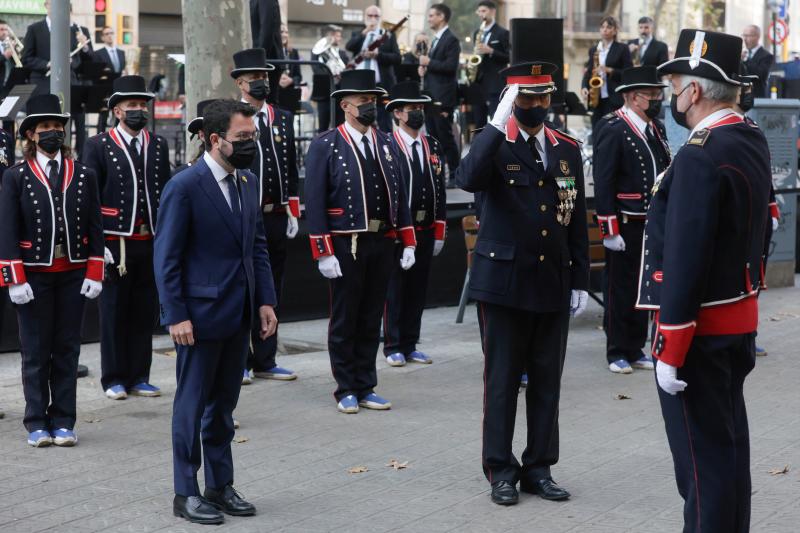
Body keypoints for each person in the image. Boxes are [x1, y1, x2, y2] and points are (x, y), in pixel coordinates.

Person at [640, 29, 772, 531]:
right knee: (727, 454)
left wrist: (670, 345)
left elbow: (686, 255)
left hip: (698, 333)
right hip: (735, 320)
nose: (673, 98)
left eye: (675, 88)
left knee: (702, 466)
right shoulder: (746, 136)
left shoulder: (700, 152)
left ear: (694, 92)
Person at [456, 62, 589, 506]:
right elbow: (467, 178)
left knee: (548, 380)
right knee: (503, 380)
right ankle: (500, 469)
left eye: (543, 97)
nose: (536, 106)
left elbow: (575, 218)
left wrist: (579, 281)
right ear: (511, 99)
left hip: (552, 279)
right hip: (504, 283)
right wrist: (495, 124)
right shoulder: (494, 143)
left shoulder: (566, 147)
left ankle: (539, 467)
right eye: (526, 98)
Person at [155, 99, 277, 525]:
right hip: (198, 319)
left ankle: (220, 486)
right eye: (242, 138)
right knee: (191, 407)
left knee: (223, 408)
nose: (250, 144)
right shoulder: (184, 186)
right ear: (214, 139)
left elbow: (257, 247)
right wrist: (175, 314)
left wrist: (265, 301)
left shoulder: (247, 181)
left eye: (253, 136)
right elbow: (166, 257)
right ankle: (185, 492)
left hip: (238, 314)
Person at [304, 70, 417, 413]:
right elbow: (315, 199)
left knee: (371, 316)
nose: (371, 106)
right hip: (345, 243)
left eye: (374, 100)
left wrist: (408, 240)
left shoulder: (385, 142)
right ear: (345, 105)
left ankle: (367, 384)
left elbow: (400, 195)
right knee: (345, 317)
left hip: (382, 240)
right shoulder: (326, 144)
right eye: (364, 101)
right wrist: (323, 251)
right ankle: (346, 387)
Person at [0, 94, 104, 447]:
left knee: (67, 348)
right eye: (45, 127)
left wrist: (95, 271)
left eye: (57, 127)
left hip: (74, 273)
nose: (53, 133)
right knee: (34, 349)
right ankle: (35, 421)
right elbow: (8, 230)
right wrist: (13, 278)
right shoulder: (16, 176)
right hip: (33, 275)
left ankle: (63, 419)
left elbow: (95, 227)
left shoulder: (84, 174)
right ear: (30, 134)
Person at [82, 75, 171, 401]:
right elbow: (88, 198)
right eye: (131, 105)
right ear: (117, 111)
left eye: (142, 105)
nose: (138, 110)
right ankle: (113, 377)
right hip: (114, 244)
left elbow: (164, 191)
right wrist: (97, 245)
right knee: (114, 312)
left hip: (149, 240)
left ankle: (140, 376)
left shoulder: (157, 144)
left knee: (143, 311)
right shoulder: (98, 145)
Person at [593, 65, 670, 374]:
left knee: (645, 287)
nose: (656, 100)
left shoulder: (656, 127)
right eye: (651, 95)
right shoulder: (612, 126)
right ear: (633, 97)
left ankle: (636, 347)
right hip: (625, 222)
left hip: (652, 221)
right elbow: (604, 180)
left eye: (657, 95)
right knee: (620, 288)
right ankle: (616, 350)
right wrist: (609, 228)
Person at [231, 48, 299, 384]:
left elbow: (290, 166)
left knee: (273, 285)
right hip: (245, 213)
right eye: (255, 78)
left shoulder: (282, 117)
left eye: (265, 77)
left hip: (275, 213)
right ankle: (241, 360)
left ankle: (266, 357)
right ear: (241, 82)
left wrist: (293, 208)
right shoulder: (231, 116)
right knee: (245, 285)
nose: (261, 83)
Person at [382, 81, 446, 367]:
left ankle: (410, 342)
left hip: (426, 227)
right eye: (412, 109)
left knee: (418, 288)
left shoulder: (432, 144)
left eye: (421, 108)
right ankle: (393, 343)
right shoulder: (387, 145)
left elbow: (441, 188)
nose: (418, 113)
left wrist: (440, 230)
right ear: (397, 113)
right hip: (398, 231)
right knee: (396, 288)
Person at [21, 0, 93, 154]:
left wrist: (75, 58)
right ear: (46, 5)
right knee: (42, 123)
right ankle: (36, 155)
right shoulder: (34, 29)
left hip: (70, 83)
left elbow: (82, 60)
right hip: (43, 84)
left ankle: (77, 157)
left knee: (77, 120)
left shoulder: (75, 30)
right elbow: (26, 58)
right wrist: (47, 64)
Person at [419, 4, 461, 180]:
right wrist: (423, 70)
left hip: (443, 98)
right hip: (430, 96)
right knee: (433, 137)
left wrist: (429, 63)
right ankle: (437, 173)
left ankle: (455, 174)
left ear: (441, 17)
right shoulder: (435, 39)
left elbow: (451, 67)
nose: (429, 19)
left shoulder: (451, 39)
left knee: (445, 136)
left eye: (432, 15)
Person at [346, 5, 401, 132]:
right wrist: (364, 33)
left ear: (380, 18)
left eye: (376, 16)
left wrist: (378, 55)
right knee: (360, 116)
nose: (373, 19)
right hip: (360, 84)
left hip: (381, 84)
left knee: (384, 119)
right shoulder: (359, 33)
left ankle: (386, 149)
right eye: (370, 16)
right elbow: (349, 46)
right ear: (365, 17)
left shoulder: (387, 35)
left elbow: (397, 58)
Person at [581, 16, 632, 127]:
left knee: (612, 132)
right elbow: (589, 72)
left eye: (608, 27)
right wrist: (584, 87)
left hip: (613, 99)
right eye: (602, 27)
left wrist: (609, 70)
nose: (605, 29)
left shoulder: (622, 48)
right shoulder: (594, 49)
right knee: (597, 132)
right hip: (596, 100)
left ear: (614, 31)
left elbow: (629, 73)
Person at [470, 1, 510, 127]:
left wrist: (491, 51)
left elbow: (509, 57)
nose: (481, 14)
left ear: (493, 12)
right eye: (479, 11)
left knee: (496, 120)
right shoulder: (477, 32)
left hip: (495, 83)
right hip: (479, 83)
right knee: (478, 121)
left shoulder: (503, 33)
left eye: (484, 11)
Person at [312, 25, 349, 133]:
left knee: (340, 126)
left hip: (339, 94)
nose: (338, 38)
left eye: (339, 36)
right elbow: (316, 68)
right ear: (328, 36)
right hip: (323, 94)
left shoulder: (343, 54)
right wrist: (330, 75)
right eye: (335, 36)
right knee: (323, 127)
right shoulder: (317, 51)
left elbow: (347, 69)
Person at [93, 26, 126, 134]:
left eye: (111, 33)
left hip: (118, 89)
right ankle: (100, 138)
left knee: (119, 116)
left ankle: (118, 137)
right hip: (104, 90)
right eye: (107, 34)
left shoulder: (121, 53)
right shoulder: (98, 53)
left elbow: (122, 70)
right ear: (103, 37)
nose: (110, 36)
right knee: (103, 116)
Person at [742, 25, 773, 98]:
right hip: (742, 97)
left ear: (757, 37)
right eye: (744, 35)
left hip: (757, 97)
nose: (745, 39)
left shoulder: (766, 56)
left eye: (748, 36)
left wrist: (745, 60)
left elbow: (761, 74)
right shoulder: (742, 53)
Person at [279, 25, 302, 89]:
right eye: (281, 32)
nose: (285, 35)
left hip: (290, 90)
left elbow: (298, 76)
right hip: (275, 90)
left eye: (286, 32)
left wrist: (291, 80)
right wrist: (277, 80)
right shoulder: (270, 51)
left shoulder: (294, 52)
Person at [0, 19, 18, 85]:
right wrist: (4, 56)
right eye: (1, 30)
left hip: (10, 84)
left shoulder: (8, 45)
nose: (4, 32)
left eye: (6, 29)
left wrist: (15, 51)